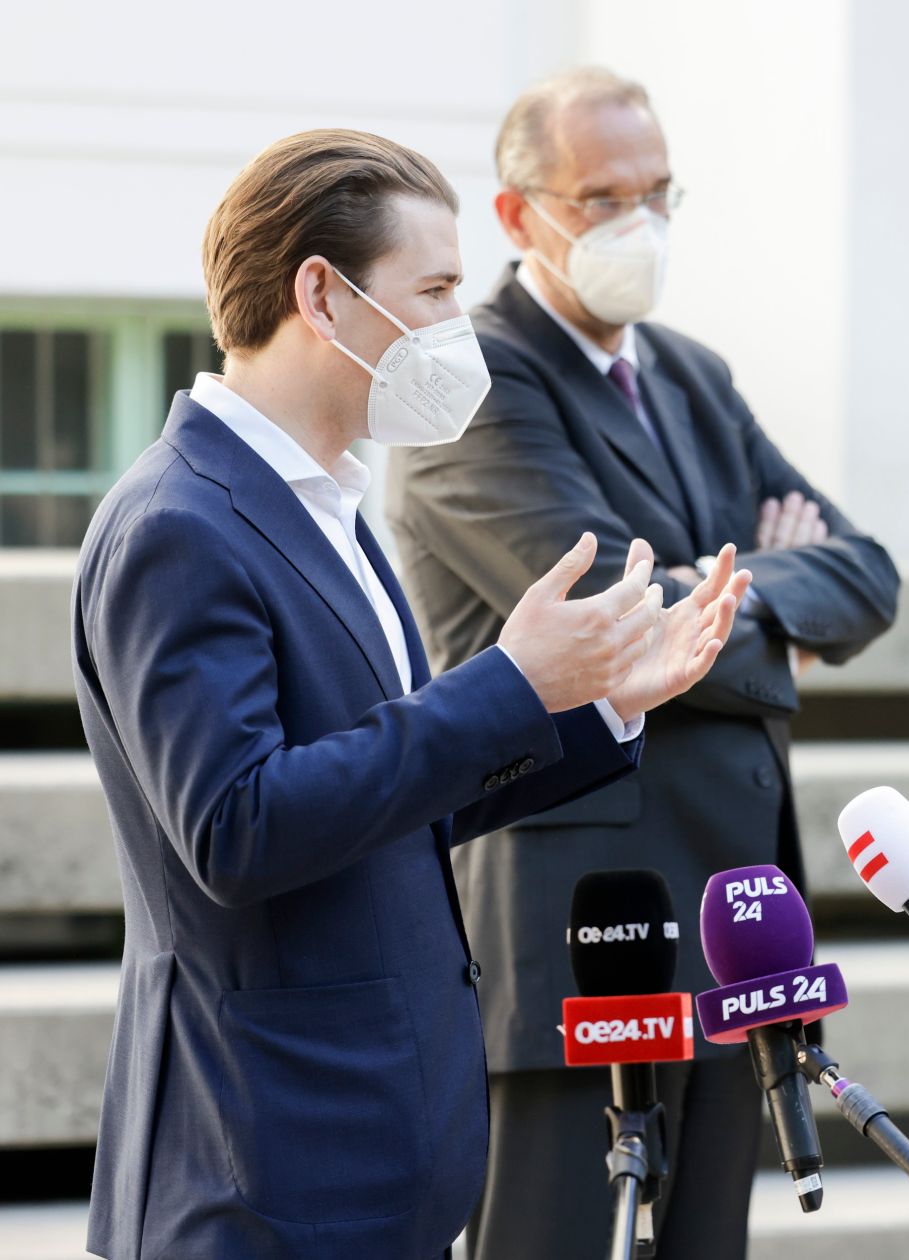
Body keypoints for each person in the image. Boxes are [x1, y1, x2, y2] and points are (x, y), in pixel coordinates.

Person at [72, 129, 748, 1260]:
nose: (457, 324)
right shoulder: (177, 526)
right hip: (265, 1167)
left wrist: (595, 705)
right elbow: (236, 827)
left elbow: (394, 798)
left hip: (375, 1156)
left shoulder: (329, 503)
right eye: (433, 290)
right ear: (321, 297)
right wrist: (508, 682)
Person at [385, 67, 900, 1259]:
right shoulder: (474, 382)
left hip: (732, 908)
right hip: (579, 909)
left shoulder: (690, 374)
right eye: (604, 195)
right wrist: (768, 596)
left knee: (705, 1243)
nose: (641, 223)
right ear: (519, 215)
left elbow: (868, 572)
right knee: (551, 1238)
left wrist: (709, 593)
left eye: (659, 191)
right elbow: (619, 621)